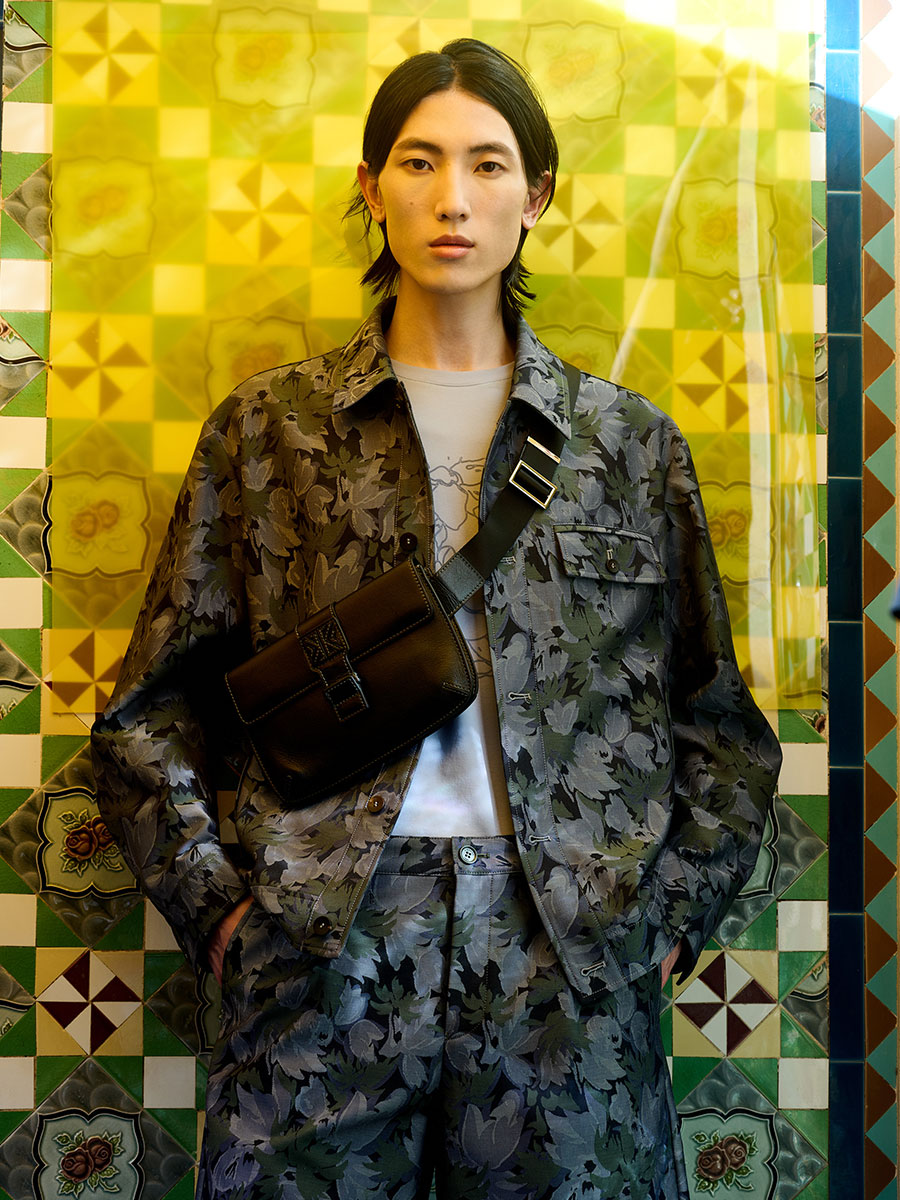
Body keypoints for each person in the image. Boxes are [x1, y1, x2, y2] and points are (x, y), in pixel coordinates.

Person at [91, 38, 782, 1200]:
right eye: (418, 162)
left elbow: (717, 722)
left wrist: (662, 917)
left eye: (487, 164)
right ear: (372, 187)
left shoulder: (625, 447)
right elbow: (146, 714)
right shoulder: (270, 434)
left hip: (568, 947)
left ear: (537, 195)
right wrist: (225, 915)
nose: (452, 198)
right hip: (323, 942)